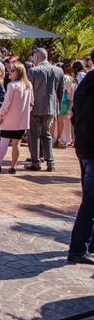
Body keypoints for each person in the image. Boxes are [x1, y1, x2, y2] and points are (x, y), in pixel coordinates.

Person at [67, 48, 94, 265]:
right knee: (90, 200)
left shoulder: (86, 81)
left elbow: (75, 115)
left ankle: (87, 244)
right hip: (90, 148)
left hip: (85, 146)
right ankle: (78, 248)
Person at [0, 62, 34, 173]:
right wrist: (25, 113)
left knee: (4, 142)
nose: (10, 72)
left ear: (19, 72)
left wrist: (1, 115)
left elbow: (6, 103)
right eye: (10, 70)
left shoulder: (12, 85)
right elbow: (32, 103)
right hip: (22, 121)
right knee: (16, 144)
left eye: (13, 70)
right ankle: (13, 167)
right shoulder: (28, 85)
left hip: (9, 119)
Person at [26, 48, 64, 172]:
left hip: (34, 107)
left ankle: (36, 162)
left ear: (36, 58)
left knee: (34, 134)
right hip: (51, 108)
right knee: (46, 134)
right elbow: (60, 92)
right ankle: (50, 162)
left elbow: (28, 91)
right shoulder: (59, 70)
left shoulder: (33, 71)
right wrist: (56, 106)